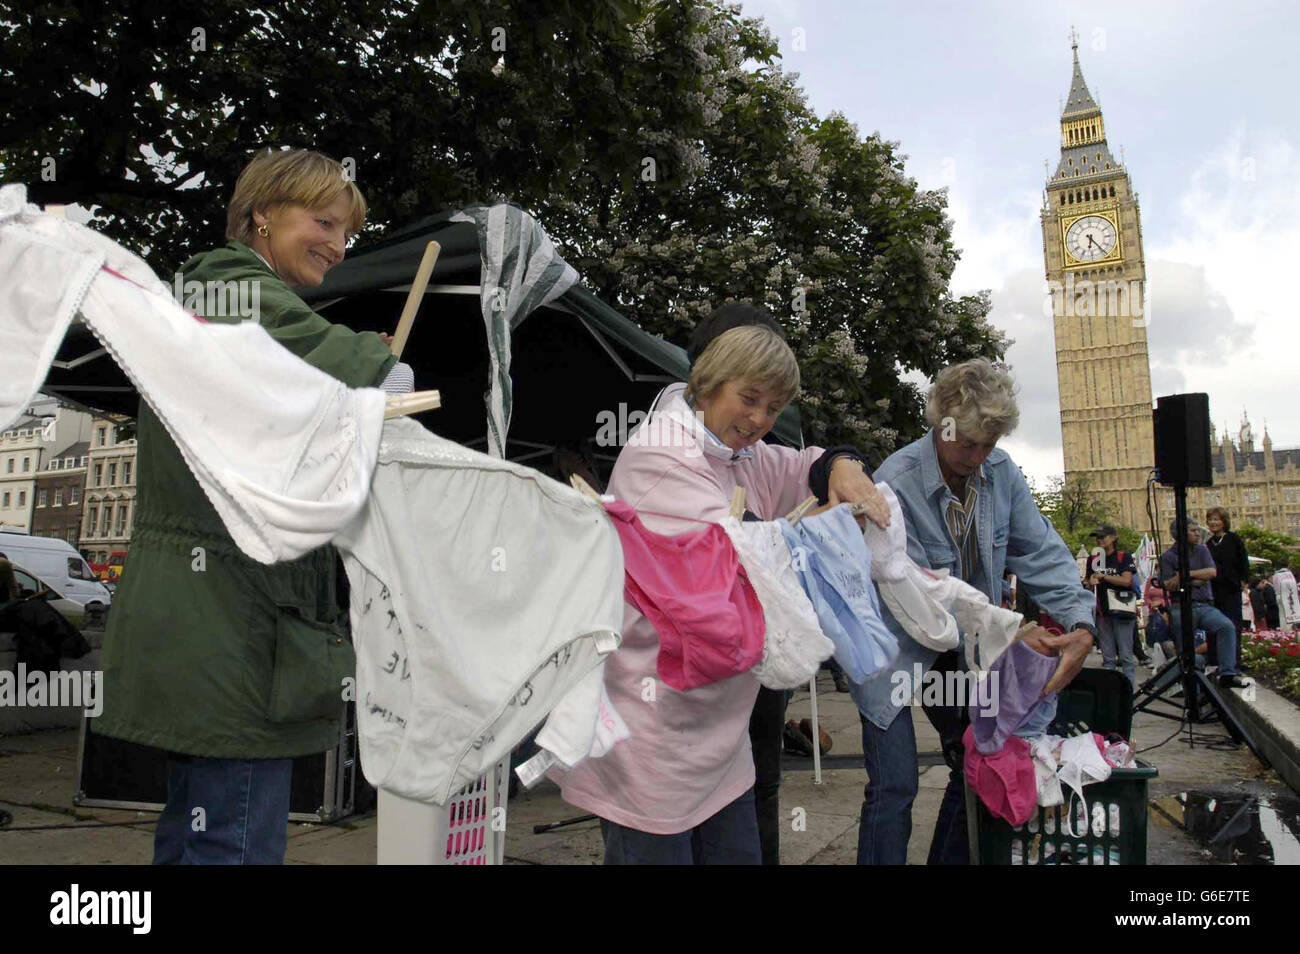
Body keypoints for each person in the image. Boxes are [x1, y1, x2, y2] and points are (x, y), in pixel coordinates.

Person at [96, 148, 412, 865]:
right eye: (323, 221)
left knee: (202, 834)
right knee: (233, 842)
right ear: (262, 213)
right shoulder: (227, 293)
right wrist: (375, 362)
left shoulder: (219, 302)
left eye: (348, 233)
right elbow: (330, 361)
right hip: (233, 624)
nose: (337, 245)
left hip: (221, 621)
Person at [555, 322, 889, 865]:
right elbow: (744, 555)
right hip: (652, 735)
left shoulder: (742, 456)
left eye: (774, 408)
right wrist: (829, 526)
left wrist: (843, 465)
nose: (760, 421)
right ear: (709, 385)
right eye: (749, 399)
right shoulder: (660, 457)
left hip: (722, 742)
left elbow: (805, 463)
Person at [848, 359, 1096, 865]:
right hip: (891, 645)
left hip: (967, 646)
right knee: (894, 784)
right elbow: (922, 598)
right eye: (968, 444)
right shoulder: (895, 481)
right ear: (940, 423)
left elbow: (1042, 551)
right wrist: (1007, 634)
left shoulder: (1000, 473)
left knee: (976, 762)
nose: (979, 457)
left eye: (990, 444)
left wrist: (1081, 623)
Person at [1159, 517, 1249, 689]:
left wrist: (1184, 576)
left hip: (1204, 604)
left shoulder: (1202, 550)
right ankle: (1193, 691)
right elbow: (1168, 584)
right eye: (1193, 531)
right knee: (1186, 651)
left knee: (1226, 626)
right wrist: (1192, 579)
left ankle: (1227, 673)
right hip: (1180, 606)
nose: (1198, 533)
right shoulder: (1167, 557)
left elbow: (1211, 572)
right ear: (1180, 534)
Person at [1088, 524, 1137, 687]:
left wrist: (1104, 577)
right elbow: (1089, 580)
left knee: (1126, 656)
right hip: (1103, 611)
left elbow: (1126, 580)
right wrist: (1090, 580)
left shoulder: (1124, 557)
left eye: (1103, 536)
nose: (1099, 540)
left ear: (1114, 537)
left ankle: (1128, 689)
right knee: (1107, 657)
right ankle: (1110, 690)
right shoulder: (1094, 558)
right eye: (1097, 537)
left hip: (1122, 609)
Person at [1205, 507, 1249, 664]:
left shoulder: (1233, 539)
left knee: (1233, 626)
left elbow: (1243, 562)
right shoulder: (1208, 544)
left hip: (1231, 590)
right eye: (1210, 520)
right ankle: (1215, 661)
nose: (1213, 522)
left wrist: (1242, 582)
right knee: (1214, 628)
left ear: (1224, 522)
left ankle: (1234, 662)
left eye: (1216, 519)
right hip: (1214, 592)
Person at [1273, 559, 1300, 632]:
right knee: (1289, 614)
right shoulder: (1289, 573)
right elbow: (1293, 586)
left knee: (1281, 614)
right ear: (1288, 565)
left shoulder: (1276, 574)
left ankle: (1283, 630)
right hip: (1288, 596)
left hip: (1278, 595)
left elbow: (1274, 586)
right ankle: (1289, 630)